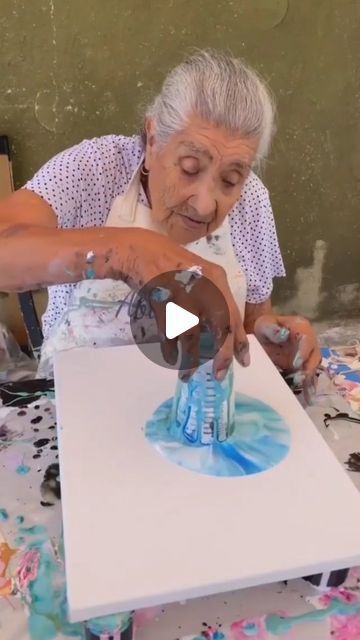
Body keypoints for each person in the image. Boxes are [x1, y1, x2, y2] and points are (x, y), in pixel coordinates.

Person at [0, 50, 320, 393]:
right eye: (189, 168)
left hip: (194, 402)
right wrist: (128, 251)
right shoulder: (93, 170)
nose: (203, 204)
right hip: (82, 400)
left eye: (229, 180)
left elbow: (253, 320)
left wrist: (267, 342)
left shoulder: (252, 201)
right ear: (153, 140)